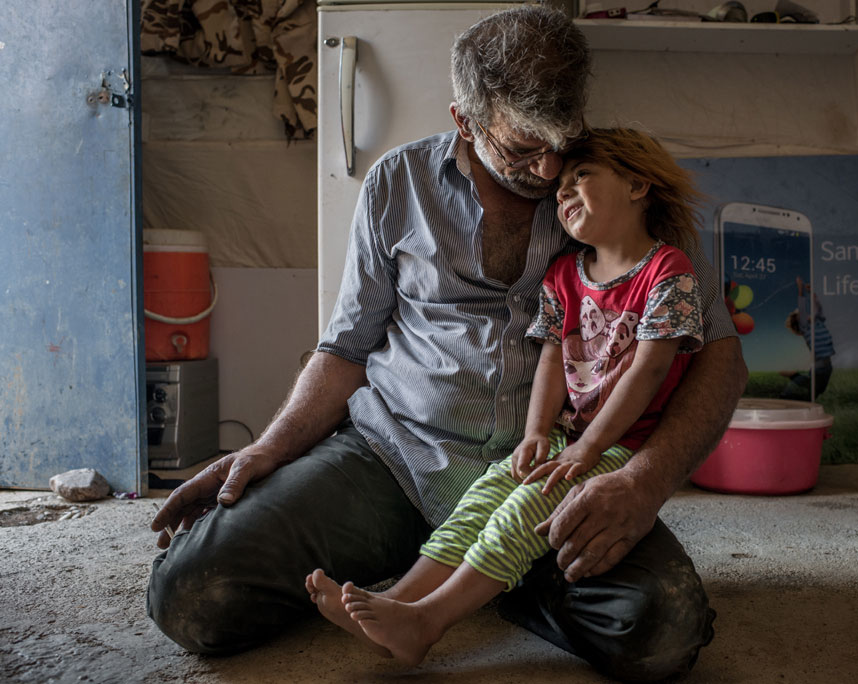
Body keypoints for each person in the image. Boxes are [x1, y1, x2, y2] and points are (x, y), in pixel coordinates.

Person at [146, 6, 747, 681]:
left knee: (659, 634)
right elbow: (345, 349)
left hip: (554, 472)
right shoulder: (397, 184)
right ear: (466, 120)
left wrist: (645, 478)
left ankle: (488, 577)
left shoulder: (625, 199)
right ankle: (446, 574)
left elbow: (719, 356)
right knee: (193, 597)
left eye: (564, 141)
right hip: (394, 457)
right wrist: (267, 448)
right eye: (524, 149)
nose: (552, 170)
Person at [305, 127, 708, 667]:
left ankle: (429, 622)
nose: (562, 192)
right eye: (560, 185)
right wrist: (538, 432)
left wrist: (588, 450)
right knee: (479, 505)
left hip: (618, 446)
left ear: (638, 185)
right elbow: (551, 360)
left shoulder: (669, 272)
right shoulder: (565, 274)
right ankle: (397, 602)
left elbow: (649, 369)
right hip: (565, 439)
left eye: (581, 177)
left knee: (521, 514)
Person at [780, 276, 835, 400]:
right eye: (801, 315)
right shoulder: (805, 328)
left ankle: (794, 379)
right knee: (813, 391)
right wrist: (800, 289)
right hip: (819, 366)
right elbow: (802, 305)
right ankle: (790, 386)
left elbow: (818, 308)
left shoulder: (818, 321)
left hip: (827, 366)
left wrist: (811, 293)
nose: (806, 314)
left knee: (818, 391)